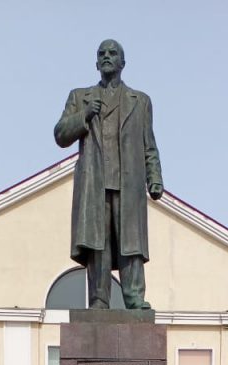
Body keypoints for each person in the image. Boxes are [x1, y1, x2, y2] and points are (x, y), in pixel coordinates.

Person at [54, 39, 164, 310]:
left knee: (131, 243)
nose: (107, 56)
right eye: (102, 53)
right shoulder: (80, 97)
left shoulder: (140, 101)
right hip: (95, 182)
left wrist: (155, 177)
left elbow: (149, 144)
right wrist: (84, 115)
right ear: (96, 63)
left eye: (112, 53)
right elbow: (60, 134)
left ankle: (134, 298)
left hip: (129, 182)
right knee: (98, 244)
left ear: (122, 63)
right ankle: (99, 299)